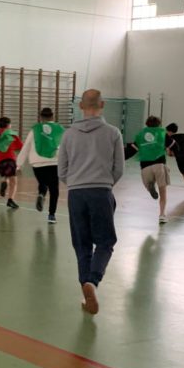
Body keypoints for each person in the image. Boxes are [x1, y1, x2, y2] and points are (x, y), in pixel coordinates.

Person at [58, 89, 124, 314]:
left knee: (81, 244)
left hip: (76, 194)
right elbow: (118, 168)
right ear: (102, 104)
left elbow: (61, 169)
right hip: (101, 191)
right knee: (105, 242)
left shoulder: (68, 135)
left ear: (80, 106)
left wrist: (75, 183)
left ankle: (86, 293)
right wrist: (104, 183)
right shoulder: (113, 133)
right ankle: (92, 282)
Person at [17, 107, 65, 223]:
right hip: (54, 162)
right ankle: (51, 215)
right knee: (54, 189)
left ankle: (41, 194)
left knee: (43, 183)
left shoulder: (35, 129)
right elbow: (66, 146)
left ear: (41, 117)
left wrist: (18, 165)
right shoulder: (60, 129)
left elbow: (26, 146)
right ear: (52, 116)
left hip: (37, 162)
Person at [125, 115, 173, 223]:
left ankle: (150, 186)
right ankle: (162, 215)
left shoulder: (140, 135)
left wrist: (119, 158)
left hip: (145, 167)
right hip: (159, 165)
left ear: (146, 124)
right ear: (159, 124)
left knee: (149, 184)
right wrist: (175, 152)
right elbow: (175, 146)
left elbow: (130, 151)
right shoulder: (162, 133)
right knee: (163, 191)